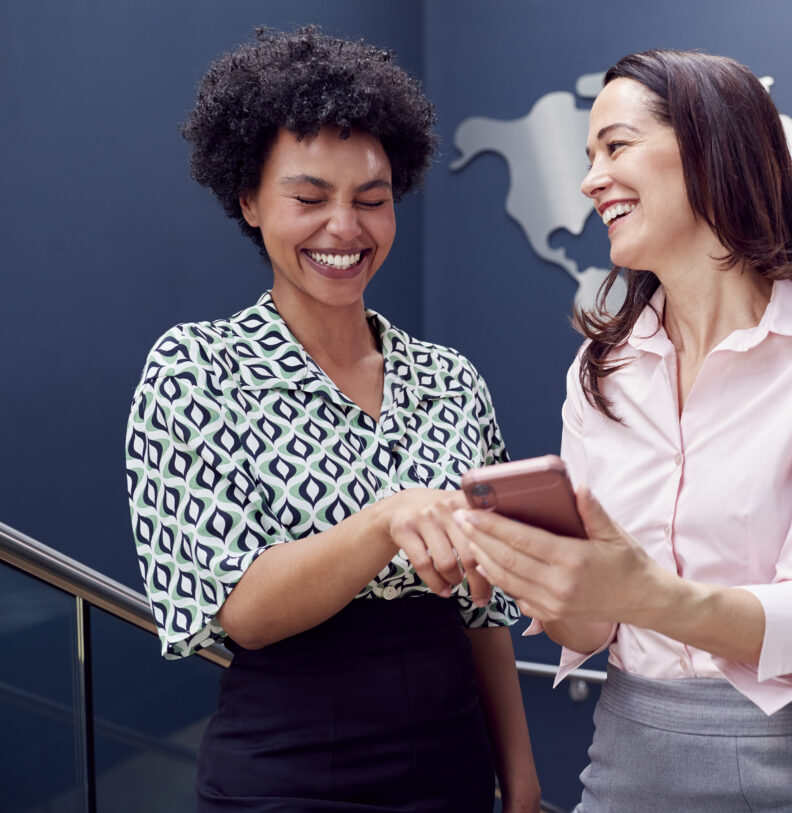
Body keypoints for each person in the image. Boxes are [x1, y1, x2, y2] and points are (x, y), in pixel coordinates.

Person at [447, 49, 792, 811]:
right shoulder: (600, 369)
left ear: (709, 148)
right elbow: (593, 625)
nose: (592, 178)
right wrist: (537, 574)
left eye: (616, 146)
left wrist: (648, 592)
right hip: (632, 758)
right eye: (589, 156)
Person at [124, 26, 539, 812]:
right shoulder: (197, 371)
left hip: (452, 759)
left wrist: (518, 777)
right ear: (247, 198)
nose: (344, 228)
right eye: (309, 198)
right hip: (288, 769)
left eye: (372, 200)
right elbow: (239, 609)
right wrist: (386, 521)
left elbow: (484, 612)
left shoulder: (451, 380)